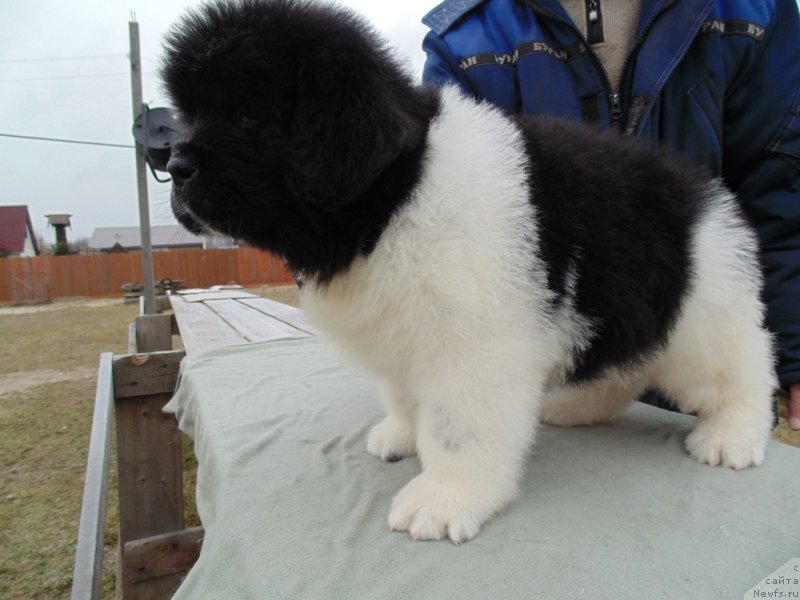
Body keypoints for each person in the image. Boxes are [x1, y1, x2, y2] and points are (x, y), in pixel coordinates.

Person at [420, 0, 800, 429]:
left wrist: (796, 349)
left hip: (709, 341)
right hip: (546, 381)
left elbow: (782, 183)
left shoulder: (751, 10)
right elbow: (441, 227)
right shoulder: (465, 36)